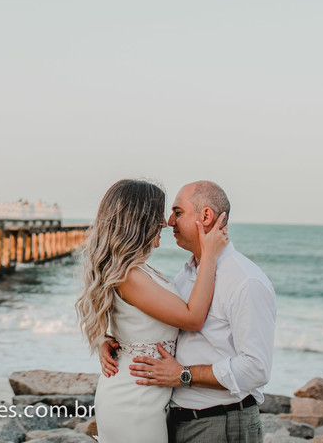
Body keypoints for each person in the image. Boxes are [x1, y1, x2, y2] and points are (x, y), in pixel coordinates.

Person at [100, 181, 277, 443]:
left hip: (221, 422)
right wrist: (114, 340)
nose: (169, 222)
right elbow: (151, 323)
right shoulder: (184, 278)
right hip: (172, 418)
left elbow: (256, 368)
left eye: (178, 212)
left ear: (205, 216)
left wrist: (184, 375)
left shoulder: (244, 281)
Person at [77, 179, 229, 443]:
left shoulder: (136, 270)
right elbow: (193, 318)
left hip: (142, 398)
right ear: (140, 221)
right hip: (133, 403)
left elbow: (131, 320)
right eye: (159, 214)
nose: (165, 223)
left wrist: (106, 339)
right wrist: (210, 255)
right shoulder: (130, 276)